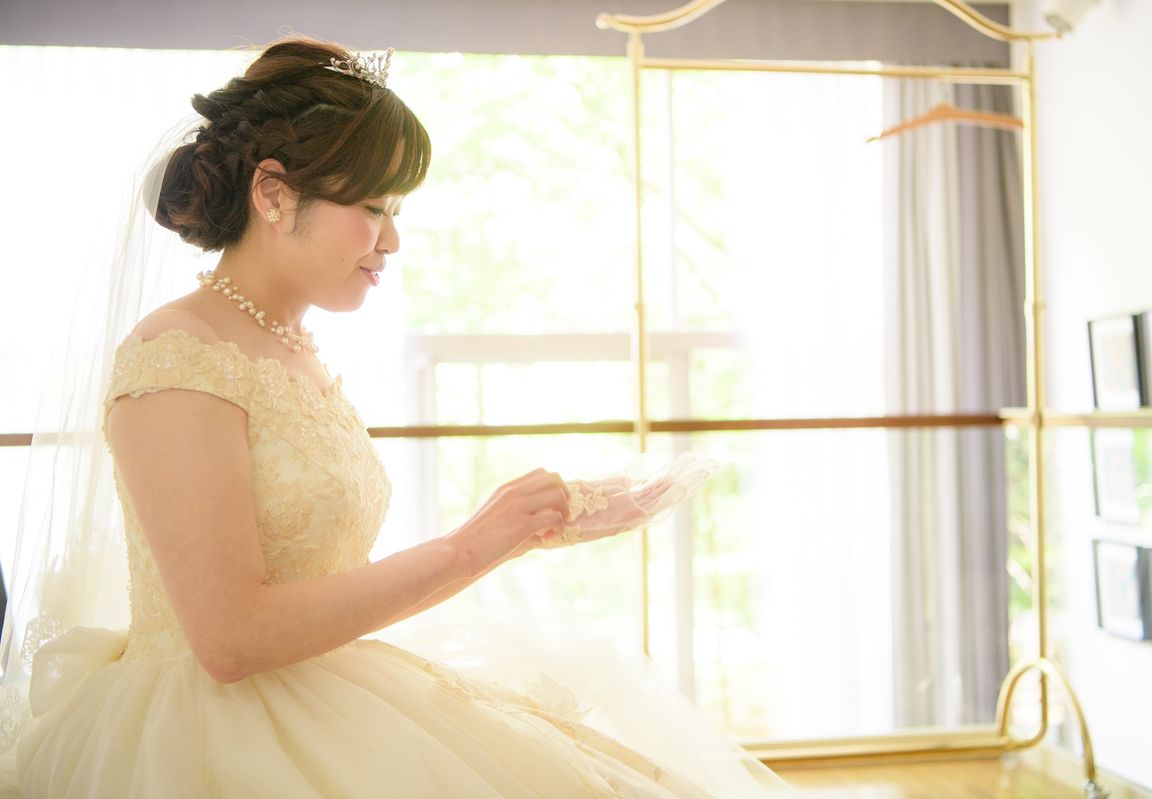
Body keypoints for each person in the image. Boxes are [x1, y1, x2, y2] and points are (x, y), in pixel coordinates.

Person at [0, 36, 795, 797]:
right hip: (210, 736)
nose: (393, 240)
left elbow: (324, 589)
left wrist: (523, 531)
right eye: (374, 208)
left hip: (326, 694)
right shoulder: (179, 354)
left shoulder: (292, 347)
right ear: (272, 194)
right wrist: (473, 542)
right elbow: (229, 638)